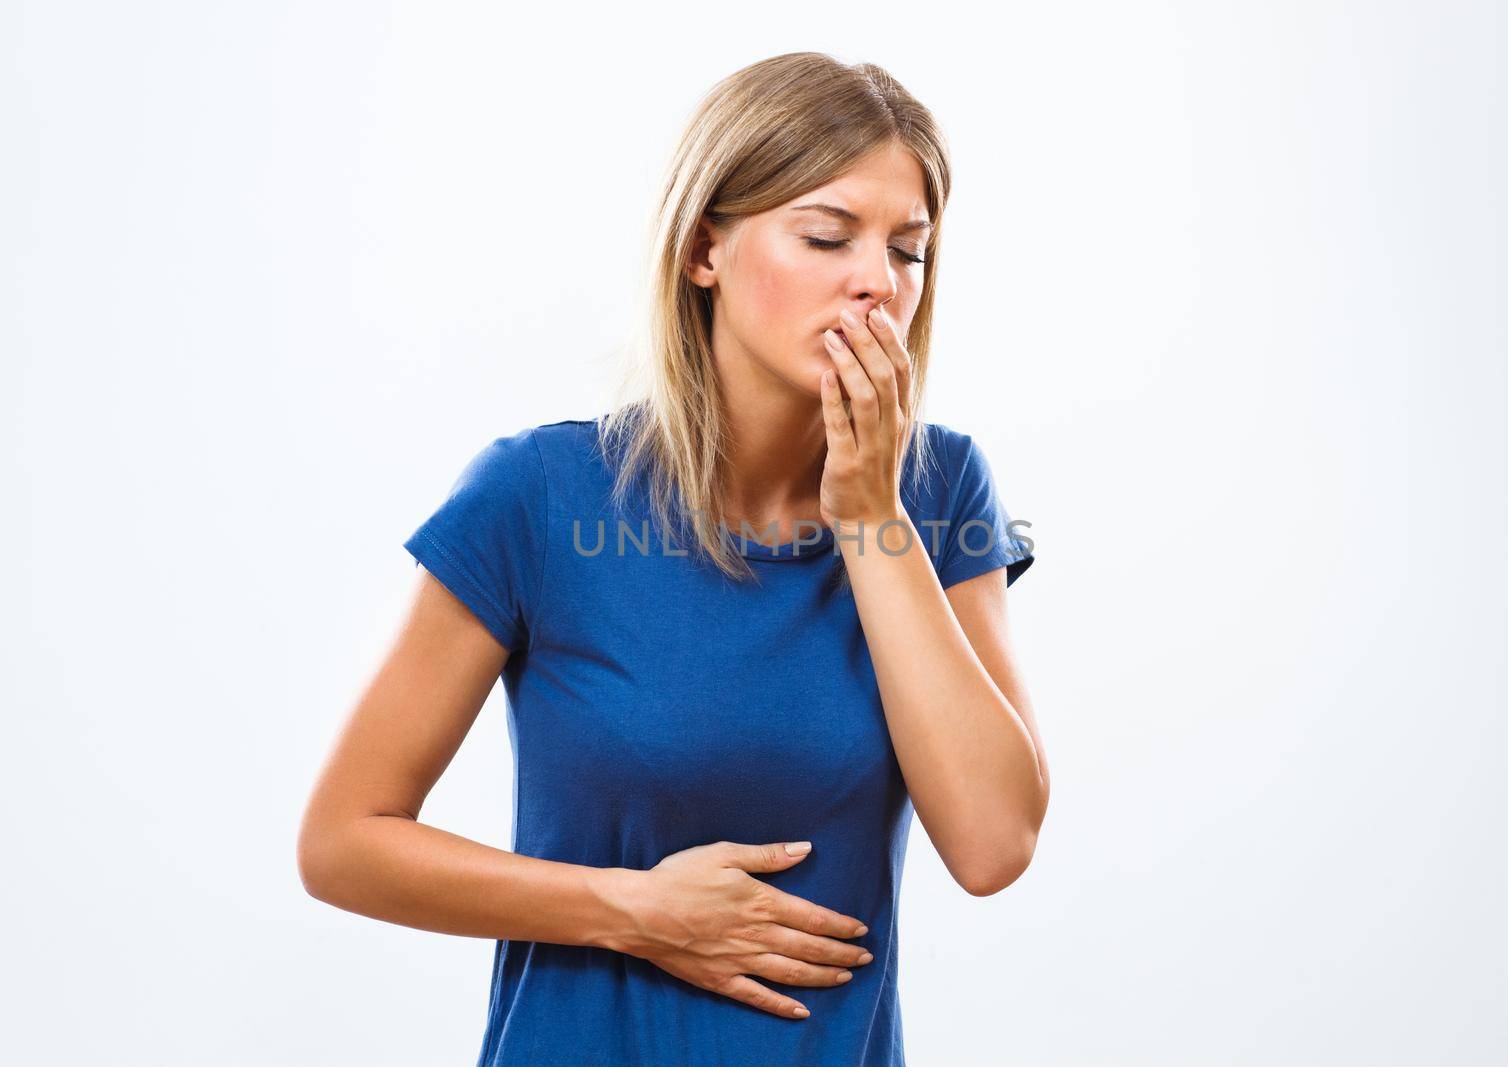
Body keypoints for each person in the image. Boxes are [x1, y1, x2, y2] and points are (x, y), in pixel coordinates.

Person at [297, 51, 1048, 1067]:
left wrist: (873, 520)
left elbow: (993, 842)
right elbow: (344, 840)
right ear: (705, 250)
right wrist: (634, 909)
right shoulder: (542, 493)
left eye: (908, 251)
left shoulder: (938, 490)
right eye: (827, 235)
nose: (875, 281)